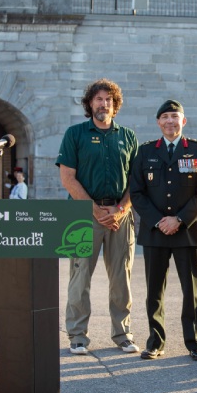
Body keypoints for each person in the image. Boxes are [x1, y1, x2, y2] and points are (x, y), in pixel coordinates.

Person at [56, 78, 139, 355]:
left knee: (121, 279)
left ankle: (123, 334)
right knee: (80, 278)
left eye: (109, 100)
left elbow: (135, 181)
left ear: (115, 106)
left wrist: (121, 209)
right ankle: (77, 336)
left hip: (120, 215)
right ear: (90, 103)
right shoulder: (75, 134)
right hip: (82, 215)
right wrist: (95, 210)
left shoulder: (127, 136)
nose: (104, 104)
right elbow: (68, 178)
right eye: (99, 99)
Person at [130, 100, 197, 361]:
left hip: (186, 231)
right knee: (154, 291)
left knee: (192, 291)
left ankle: (195, 342)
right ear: (158, 122)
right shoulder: (144, 152)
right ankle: (155, 341)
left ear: (183, 122)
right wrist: (159, 220)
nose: (170, 121)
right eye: (165, 117)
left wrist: (178, 219)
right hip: (155, 232)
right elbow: (136, 192)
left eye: (175, 117)